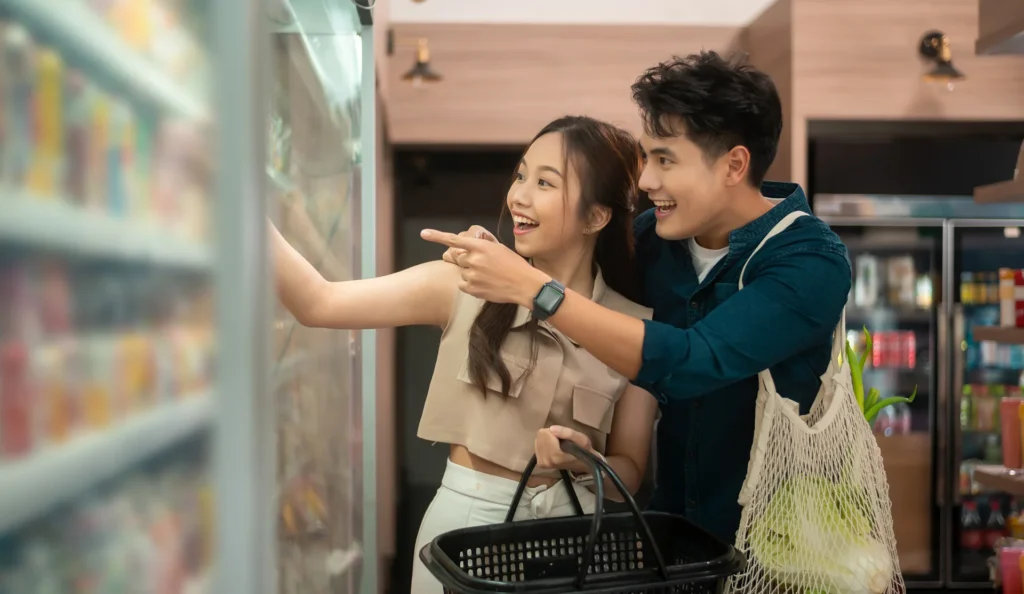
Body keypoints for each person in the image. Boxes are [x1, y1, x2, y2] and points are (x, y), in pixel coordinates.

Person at [424, 51, 852, 545]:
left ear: (734, 164)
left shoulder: (809, 260)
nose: (646, 182)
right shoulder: (651, 240)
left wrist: (530, 285)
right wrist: (492, 253)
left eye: (665, 160)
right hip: (673, 538)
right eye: (647, 158)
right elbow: (572, 265)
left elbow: (695, 361)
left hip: (780, 544)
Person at [271, 115, 659, 593]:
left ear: (597, 217)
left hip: (575, 533)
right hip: (466, 528)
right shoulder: (463, 280)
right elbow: (319, 302)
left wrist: (582, 459)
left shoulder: (635, 328)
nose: (518, 195)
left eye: (544, 182)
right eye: (520, 175)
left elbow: (632, 471)